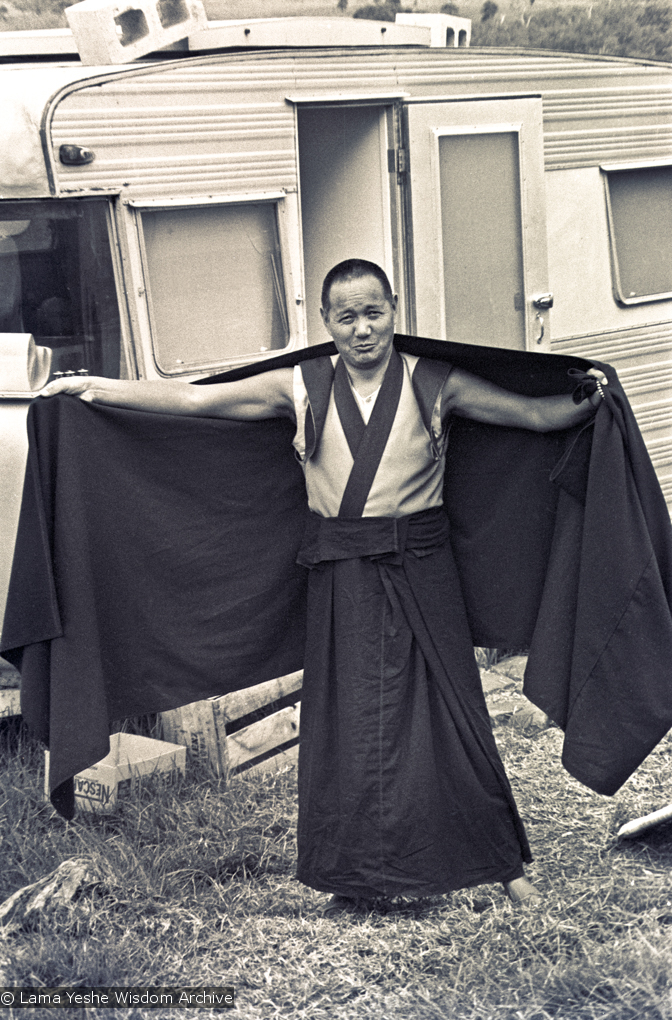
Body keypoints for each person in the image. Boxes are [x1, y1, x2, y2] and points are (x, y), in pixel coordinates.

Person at [41, 259, 606, 914]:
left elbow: (532, 417)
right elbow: (194, 400)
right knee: (347, 726)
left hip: (423, 570)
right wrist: (95, 388)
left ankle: (505, 868)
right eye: (347, 317)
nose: (362, 329)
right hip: (341, 572)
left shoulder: (434, 381)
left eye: (374, 313)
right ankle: (353, 877)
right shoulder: (301, 385)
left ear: (394, 309)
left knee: (455, 716)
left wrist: (592, 401)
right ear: (327, 322)